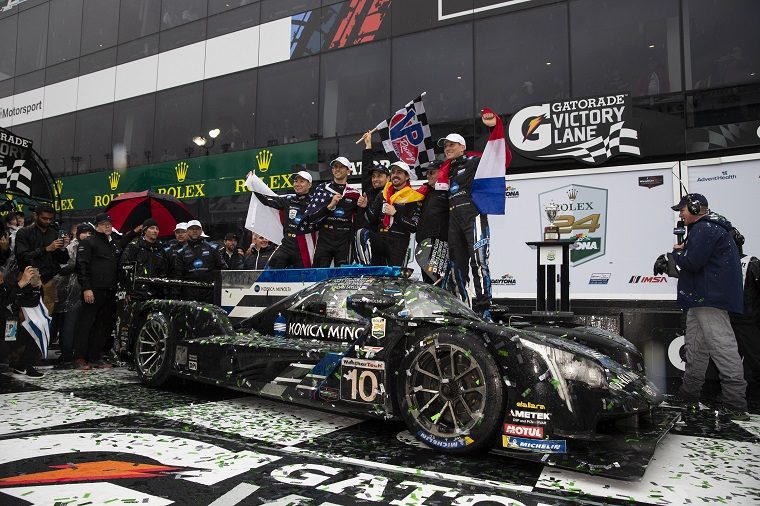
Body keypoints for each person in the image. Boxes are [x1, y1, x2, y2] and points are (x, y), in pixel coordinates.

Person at [670, 193, 749, 420]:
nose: (681, 214)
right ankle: (689, 393)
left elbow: (692, 262)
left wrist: (676, 253)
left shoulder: (705, 229)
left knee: (723, 348)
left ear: (695, 208)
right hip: (700, 298)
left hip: (708, 298)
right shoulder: (709, 228)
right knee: (695, 348)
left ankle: (735, 402)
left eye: (682, 209)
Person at [436, 110, 511, 318]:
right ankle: (463, 307)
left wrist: (493, 127)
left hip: (473, 217)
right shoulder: (445, 171)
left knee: (478, 262)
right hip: (454, 222)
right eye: (445, 146)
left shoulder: (474, 162)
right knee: (456, 266)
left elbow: (498, 157)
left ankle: (485, 307)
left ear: (462, 147)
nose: (448, 148)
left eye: (452, 144)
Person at [74, 213, 122, 370]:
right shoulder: (89, 242)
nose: (107, 225)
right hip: (93, 290)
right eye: (103, 223)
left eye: (109, 223)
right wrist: (86, 288)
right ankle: (80, 357)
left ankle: (95, 356)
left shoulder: (112, 243)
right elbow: (82, 266)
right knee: (86, 324)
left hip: (109, 290)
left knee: (103, 326)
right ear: (96, 226)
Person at [360, 161, 423, 267]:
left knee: (395, 279)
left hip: (399, 243)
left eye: (399, 172)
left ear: (407, 176)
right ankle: (366, 269)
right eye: (393, 172)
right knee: (361, 233)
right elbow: (372, 219)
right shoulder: (383, 194)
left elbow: (413, 227)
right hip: (381, 238)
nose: (395, 175)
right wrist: (365, 206)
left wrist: (395, 213)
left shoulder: (413, 197)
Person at [251, 170, 318, 268]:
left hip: (304, 247)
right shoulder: (288, 199)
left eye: (302, 181)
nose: (298, 184)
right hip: (287, 243)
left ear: (309, 184)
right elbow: (266, 200)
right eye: (296, 181)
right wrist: (253, 183)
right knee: (272, 267)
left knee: (303, 277)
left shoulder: (315, 202)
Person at [14, 203, 69, 313]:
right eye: (44, 218)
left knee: (47, 314)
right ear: (36, 216)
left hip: (49, 278)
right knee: (26, 315)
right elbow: (22, 256)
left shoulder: (54, 233)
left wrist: (63, 248)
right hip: (30, 276)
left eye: (50, 219)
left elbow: (63, 260)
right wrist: (46, 249)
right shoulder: (24, 232)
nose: (48, 221)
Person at [305, 157, 360, 267]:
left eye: (341, 167)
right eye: (335, 167)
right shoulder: (323, 189)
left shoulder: (354, 194)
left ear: (349, 170)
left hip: (344, 240)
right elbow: (311, 217)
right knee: (318, 274)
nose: (337, 169)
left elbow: (359, 219)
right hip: (325, 238)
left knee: (343, 277)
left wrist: (363, 206)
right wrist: (330, 206)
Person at [53, 223, 93, 367]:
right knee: (69, 325)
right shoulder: (72, 247)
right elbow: (62, 268)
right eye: (85, 233)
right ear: (78, 234)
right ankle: (67, 355)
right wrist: (79, 266)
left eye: (90, 233)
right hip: (69, 293)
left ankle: (72, 354)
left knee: (77, 325)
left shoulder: (89, 247)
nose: (88, 235)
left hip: (82, 291)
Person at [728, 227, 760, 399]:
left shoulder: (752, 263)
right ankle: (736, 394)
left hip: (747, 320)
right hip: (727, 319)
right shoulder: (719, 263)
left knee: (754, 359)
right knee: (729, 361)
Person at [354, 131, 390, 265]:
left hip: (385, 241)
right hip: (367, 241)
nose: (375, 179)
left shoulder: (391, 192)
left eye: (379, 176)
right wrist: (368, 145)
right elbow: (366, 169)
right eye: (374, 176)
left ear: (388, 178)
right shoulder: (368, 191)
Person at [2, 265, 45, 377]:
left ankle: (23, 366)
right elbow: (3, 303)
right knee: (4, 349)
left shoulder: (7, 286)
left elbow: (30, 302)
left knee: (37, 331)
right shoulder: (14, 287)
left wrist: (36, 288)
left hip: (10, 330)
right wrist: (20, 284)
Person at [173, 219, 224, 303]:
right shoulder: (181, 252)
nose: (194, 231)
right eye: (191, 229)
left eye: (197, 228)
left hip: (209, 290)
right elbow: (178, 275)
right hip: (189, 291)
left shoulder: (213, 248)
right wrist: (176, 294)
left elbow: (222, 268)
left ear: (201, 230)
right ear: (187, 231)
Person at [415, 160, 449, 284]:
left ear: (442, 172)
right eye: (427, 173)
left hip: (439, 246)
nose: (428, 175)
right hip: (423, 245)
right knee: (428, 283)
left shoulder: (449, 191)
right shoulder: (425, 191)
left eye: (432, 172)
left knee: (438, 283)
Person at [120, 218, 170, 299]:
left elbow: (164, 272)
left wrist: (164, 292)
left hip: (156, 294)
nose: (155, 231)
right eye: (152, 228)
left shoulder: (161, 250)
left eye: (157, 229)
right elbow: (125, 268)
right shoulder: (134, 246)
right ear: (145, 231)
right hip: (136, 293)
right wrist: (125, 291)